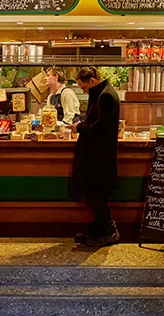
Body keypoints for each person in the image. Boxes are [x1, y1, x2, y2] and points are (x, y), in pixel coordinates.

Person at [71, 67, 120, 247]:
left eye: (84, 87)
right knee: (93, 193)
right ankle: (99, 229)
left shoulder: (105, 97)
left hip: (98, 157)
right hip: (97, 156)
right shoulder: (103, 93)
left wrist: (79, 127)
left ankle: (110, 230)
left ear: (93, 80)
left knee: (95, 194)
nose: (84, 91)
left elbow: (99, 128)